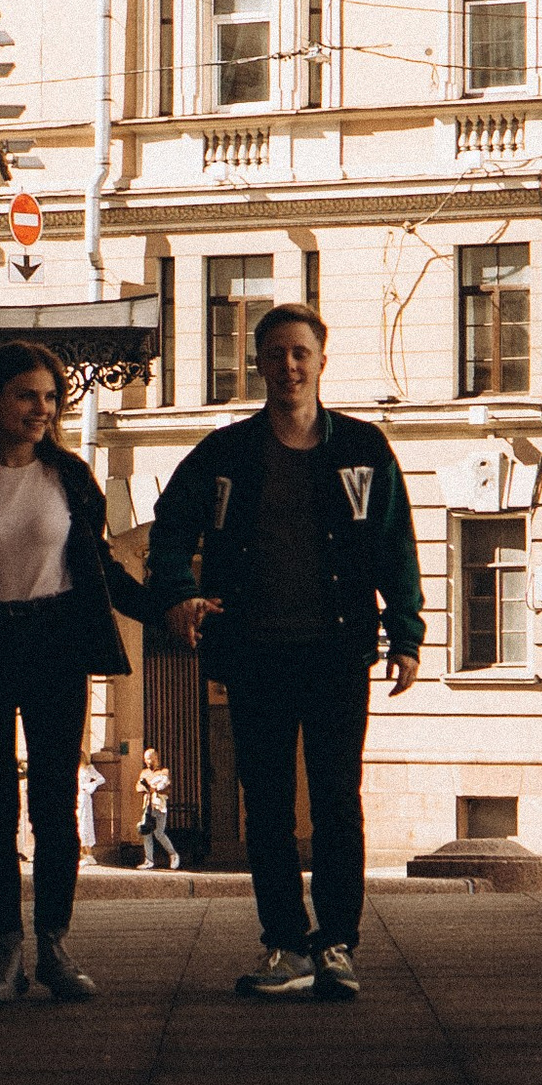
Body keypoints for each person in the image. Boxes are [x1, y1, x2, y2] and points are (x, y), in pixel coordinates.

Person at [145, 301, 423, 1001]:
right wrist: (180, 591)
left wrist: (408, 634)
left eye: (301, 353)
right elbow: (169, 527)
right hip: (255, 653)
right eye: (276, 354)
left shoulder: (363, 448)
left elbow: (397, 547)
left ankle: (335, 944)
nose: (289, 366)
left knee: (336, 800)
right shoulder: (225, 453)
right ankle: (284, 945)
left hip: (336, 651)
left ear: (321, 361)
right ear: (259, 364)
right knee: (263, 804)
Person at [0, 340, 151, 1005]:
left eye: (50, 397)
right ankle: (5, 951)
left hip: (54, 645)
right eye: (26, 395)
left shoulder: (69, 476)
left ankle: (53, 945)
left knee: (51, 803)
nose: (41, 409)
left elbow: (100, 567)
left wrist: (167, 606)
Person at [136, 746, 179, 871]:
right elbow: (138, 787)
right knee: (146, 832)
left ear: (155, 757)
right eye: (145, 759)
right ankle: (148, 860)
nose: (146, 761)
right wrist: (150, 787)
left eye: (149, 758)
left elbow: (165, 787)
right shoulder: (144, 772)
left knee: (159, 833)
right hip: (147, 806)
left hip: (159, 805)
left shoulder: (163, 772)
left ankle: (173, 854)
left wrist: (150, 786)